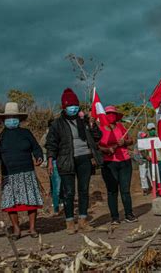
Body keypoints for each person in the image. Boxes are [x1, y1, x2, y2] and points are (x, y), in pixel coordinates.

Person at [45, 88, 103, 234]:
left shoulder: (84, 121)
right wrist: (50, 160)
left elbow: (97, 137)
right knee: (69, 192)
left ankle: (83, 221)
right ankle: (70, 222)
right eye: (70, 106)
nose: (74, 108)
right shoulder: (57, 124)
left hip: (84, 159)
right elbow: (51, 143)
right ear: (64, 107)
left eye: (76, 105)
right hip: (66, 160)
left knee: (83, 190)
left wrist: (92, 124)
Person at [0, 102, 44, 239]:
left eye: (14, 117)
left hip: (27, 172)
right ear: (3, 120)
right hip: (9, 175)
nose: (12, 120)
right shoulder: (0, 137)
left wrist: (39, 156)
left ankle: (32, 229)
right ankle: (16, 229)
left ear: (19, 120)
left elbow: (36, 147)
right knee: (11, 204)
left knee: (31, 202)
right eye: (9, 117)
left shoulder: (26, 133)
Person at [98, 105, 137, 224]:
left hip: (125, 161)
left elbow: (131, 140)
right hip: (109, 164)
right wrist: (106, 150)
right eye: (108, 114)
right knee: (112, 191)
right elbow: (95, 146)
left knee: (125, 190)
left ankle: (129, 214)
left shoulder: (121, 127)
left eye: (113, 114)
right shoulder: (100, 129)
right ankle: (114, 217)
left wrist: (124, 142)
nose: (111, 116)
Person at [40, 119, 63, 215]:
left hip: (56, 160)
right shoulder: (48, 135)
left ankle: (58, 203)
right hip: (52, 161)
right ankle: (56, 205)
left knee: (56, 184)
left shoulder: (58, 133)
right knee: (56, 185)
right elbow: (43, 146)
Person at [145, 123, 161, 195]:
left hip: (160, 160)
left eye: (153, 129)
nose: (152, 131)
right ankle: (157, 191)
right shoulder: (146, 140)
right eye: (150, 130)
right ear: (148, 130)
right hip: (151, 161)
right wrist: (146, 156)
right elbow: (142, 150)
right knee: (153, 176)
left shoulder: (160, 138)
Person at [133, 131, 150, 196]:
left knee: (151, 175)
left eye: (145, 136)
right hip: (142, 162)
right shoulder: (137, 145)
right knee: (143, 176)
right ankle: (145, 189)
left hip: (149, 162)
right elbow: (135, 155)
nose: (144, 137)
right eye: (143, 136)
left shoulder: (148, 144)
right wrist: (140, 161)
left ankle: (153, 187)